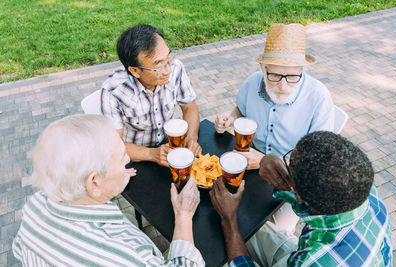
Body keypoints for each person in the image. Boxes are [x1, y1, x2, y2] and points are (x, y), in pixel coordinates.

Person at [13, 114, 205, 266]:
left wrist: (116, 178)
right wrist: (183, 215)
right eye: (122, 157)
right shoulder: (125, 256)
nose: (127, 161)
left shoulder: (34, 205)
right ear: (94, 183)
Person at [210, 131, 392, 266]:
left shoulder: (310, 263)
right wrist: (266, 159)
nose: (286, 163)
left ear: (300, 194)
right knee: (251, 232)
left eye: (290, 163)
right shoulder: (366, 193)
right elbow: (315, 204)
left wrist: (229, 219)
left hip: (313, 259)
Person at [214, 23, 334, 170]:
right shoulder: (252, 82)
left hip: (292, 174)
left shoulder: (319, 97)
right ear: (263, 69)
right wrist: (231, 118)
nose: (283, 86)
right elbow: (241, 110)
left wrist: (264, 162)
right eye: (275, 75)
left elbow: (319, 158)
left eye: (292, 76)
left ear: (302, 71)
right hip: (251, 160)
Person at [101, 24, 201, 167]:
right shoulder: (113, 91)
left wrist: (191, 138)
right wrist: (151, 154)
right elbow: (115, 145)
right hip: (134, 156)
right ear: (135, 71)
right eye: (159, 66)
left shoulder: (176, 67)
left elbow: (189, 106)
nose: (168, 71)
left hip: (168, 145)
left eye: (168, 59)